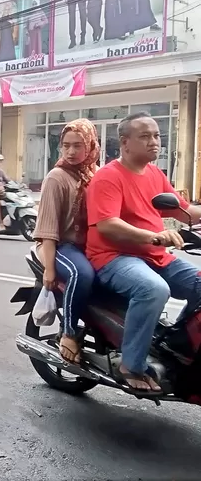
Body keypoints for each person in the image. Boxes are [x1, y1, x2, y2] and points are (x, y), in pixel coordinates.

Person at [86, 111, 201, 394]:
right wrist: (154, 236)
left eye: (157, 135)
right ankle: (131, 365)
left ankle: (176, 343)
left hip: (154, 255)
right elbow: (108, 226)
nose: (154, 142)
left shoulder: (154, 174)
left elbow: (183, 211)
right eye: (145, 136)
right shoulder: (108, 177)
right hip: (114, 257)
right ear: (125, 143)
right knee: (153, 289)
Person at [33, 119, 100, 363]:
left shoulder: (94, 175)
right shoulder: (56, 178)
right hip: (60, 246)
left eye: (78, 146)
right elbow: (48, 231)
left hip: (88, 246)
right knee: (82, 275)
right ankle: (69, 333)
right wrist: (49, 270)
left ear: (91, 146)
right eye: (66, 145)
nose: (71, 152)